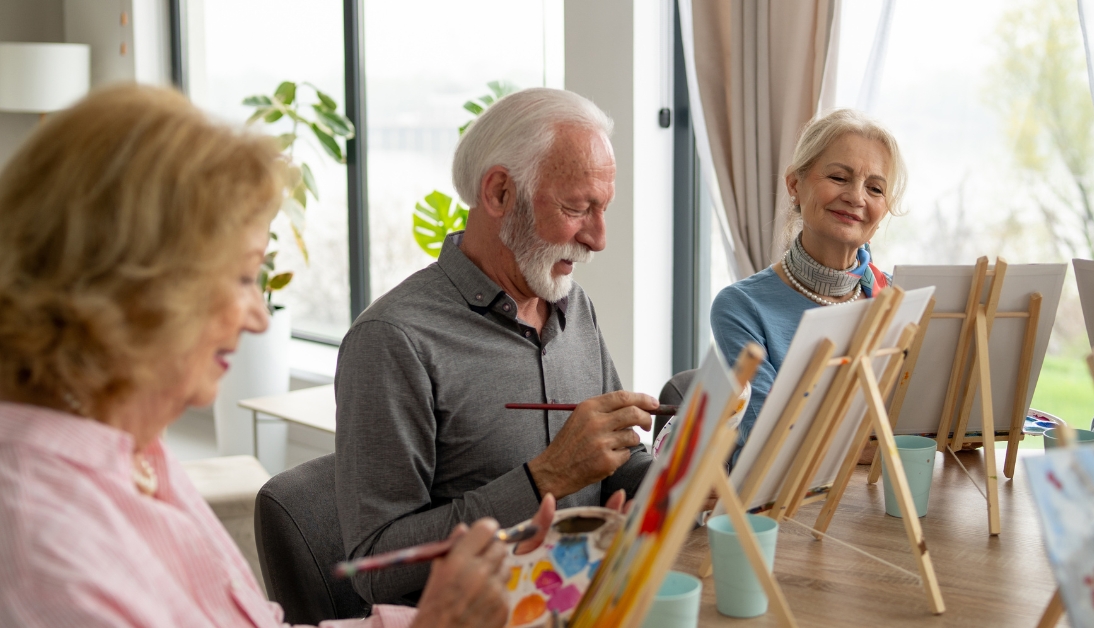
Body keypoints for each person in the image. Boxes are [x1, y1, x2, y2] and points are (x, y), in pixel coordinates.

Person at [0, 84, 528, 628]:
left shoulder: (134, 455)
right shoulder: (45, 550)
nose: (257, 316)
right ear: (138, 283)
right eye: (243, 276)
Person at [334, 88, 658, 604]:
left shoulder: (576, 310)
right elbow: (373, 567)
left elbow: (619, 466)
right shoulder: (393, 341)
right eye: (577, 208)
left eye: (603, 209)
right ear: (500, 193)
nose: (598, 238)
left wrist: (683, 475)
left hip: (586, 601)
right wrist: (546, 477)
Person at [710, 108, 907, 465]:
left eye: (875, 188)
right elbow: (768, 441)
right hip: (780, 512)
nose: (856, 197)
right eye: (838, 177)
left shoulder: (897, 299)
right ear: (795, 185)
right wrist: (863, 445)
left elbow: (920, 428)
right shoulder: (740, 307)